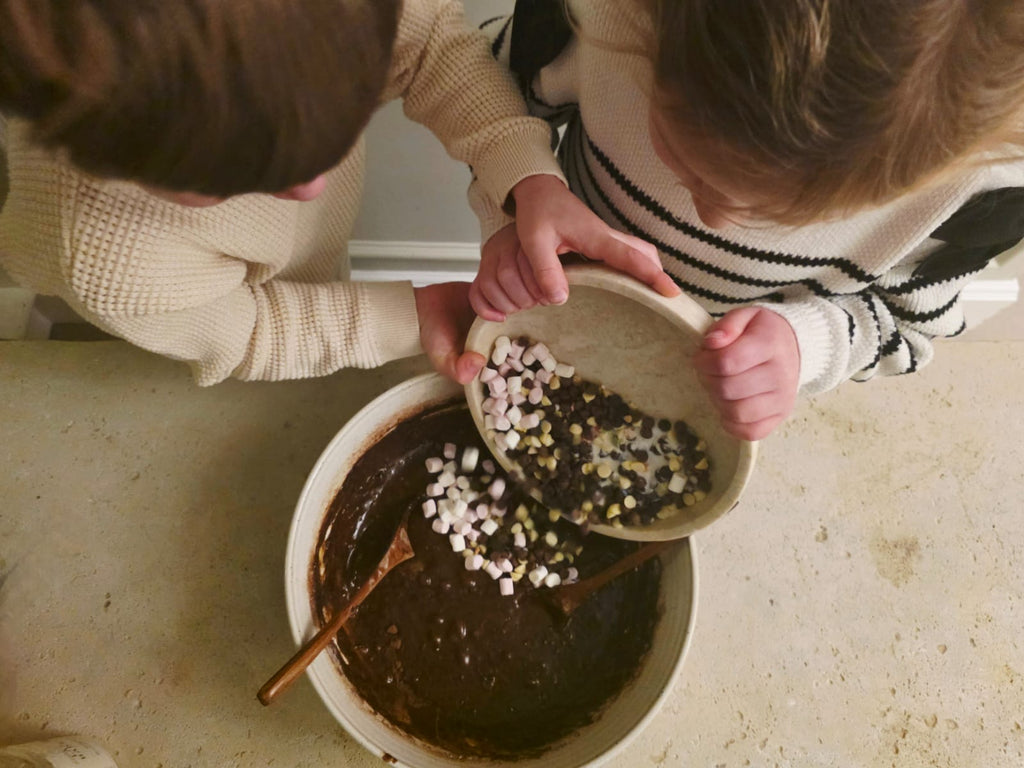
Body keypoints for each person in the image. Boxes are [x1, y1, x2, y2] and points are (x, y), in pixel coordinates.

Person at [0, 0, 677, 386]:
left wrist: (526, 173)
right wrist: (406, 318)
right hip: (170, 312)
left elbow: (432, 45)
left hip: (296, 268)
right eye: (232, 181)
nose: (313, 186)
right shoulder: (105, 257)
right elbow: (250, 329)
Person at [475, 0, 1024, 439]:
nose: (712, 219)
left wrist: (804, 345)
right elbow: (488, 86)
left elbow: (906, 326)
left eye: (773, 218)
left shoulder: (976, 195)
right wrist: (521, 191)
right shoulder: (603, 17)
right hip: (549, 312)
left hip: (695, 386)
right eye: (686, 165)